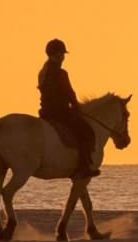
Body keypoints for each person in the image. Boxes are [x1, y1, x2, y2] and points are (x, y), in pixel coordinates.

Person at [38, 39, 97, 179]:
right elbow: (69, 93)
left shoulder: (43, 72)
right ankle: (84, 167)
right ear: (56, 55)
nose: (63, 57)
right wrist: (76, 106)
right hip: (60, 111)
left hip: (46, 111)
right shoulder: (61, 73)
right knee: (87, 131)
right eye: (61, 54)